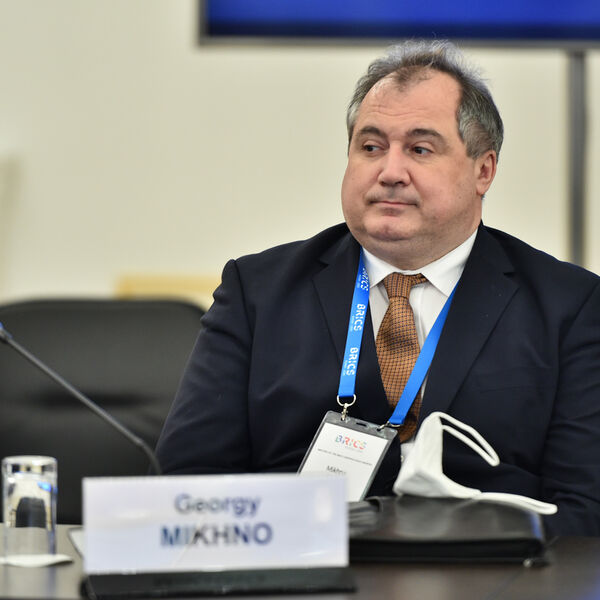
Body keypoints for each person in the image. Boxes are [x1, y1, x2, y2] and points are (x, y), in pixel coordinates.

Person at [155, 40, 600, 536]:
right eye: (371, 148)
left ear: (483, 170)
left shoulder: (569, 306)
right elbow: (189, 485)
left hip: (486, 565)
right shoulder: (257, 291)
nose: (389, 173)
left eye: (420, 149)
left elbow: (585, 508)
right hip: (301, 561)